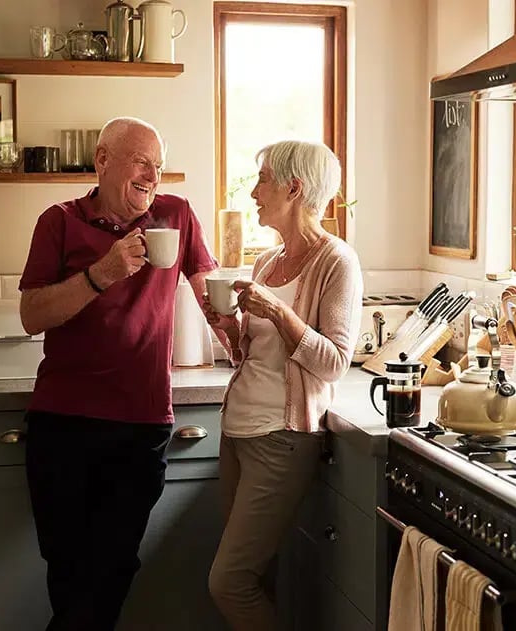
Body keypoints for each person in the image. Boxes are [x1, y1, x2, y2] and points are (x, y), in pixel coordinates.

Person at [18, 116, 222, 631]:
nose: (153, 175)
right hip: (62, 422)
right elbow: (32, 316)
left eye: (158, 165)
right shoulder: (59, 221)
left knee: (111, 567)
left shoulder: (175, 216)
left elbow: (210, 296)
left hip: (140, 424)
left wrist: (248, 339)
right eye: (141, 162)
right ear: (102, 160)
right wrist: (101, 274)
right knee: (68, 571)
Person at [205, 140, 363, 630]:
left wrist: (277, 310)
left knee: (228, 582)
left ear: (295, 189)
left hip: (282, 439)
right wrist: (227, 327)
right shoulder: (267, 264)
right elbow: (253, 357)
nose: (254, 192)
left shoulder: (337, 262)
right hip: (238, 434)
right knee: (255, 578)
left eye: (264, 181)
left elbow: (335, 361)